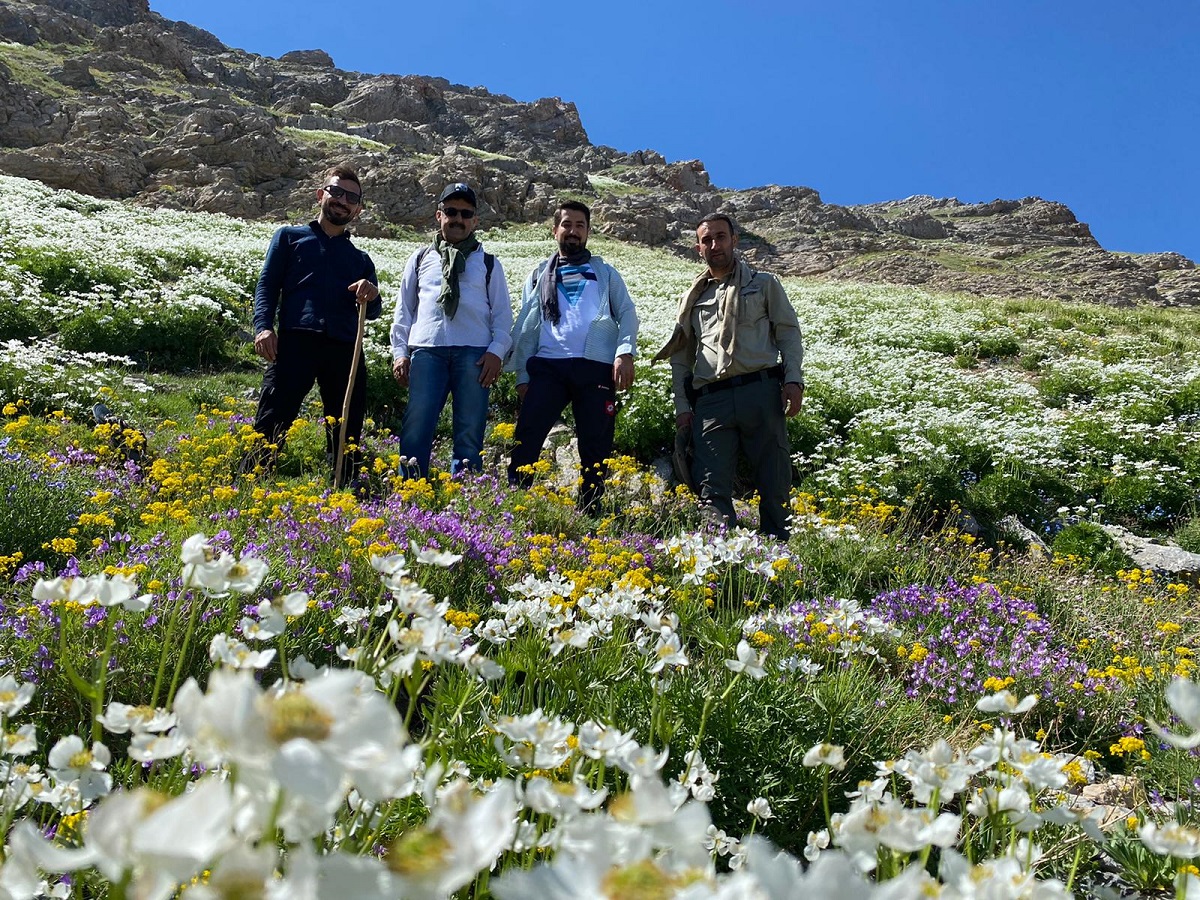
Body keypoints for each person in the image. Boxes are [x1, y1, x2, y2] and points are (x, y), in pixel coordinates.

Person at [654, 213, 804, 539]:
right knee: (710, 483)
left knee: (774, 479)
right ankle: (720, 561)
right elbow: (681, 359)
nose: (714, 245)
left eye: (721, 237)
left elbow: (788, 334)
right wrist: (683, 408)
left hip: (761, 392)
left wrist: (793, 380)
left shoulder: (764, 285)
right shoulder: (692, 299)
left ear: (734, 240)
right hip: (711, 401)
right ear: (698, 248)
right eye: (707, 240)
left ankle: (778, 556)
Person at [248, 164, 382, 481]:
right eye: (336, 191)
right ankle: (250, 485)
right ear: (321, 194)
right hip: (296, 341)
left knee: (346, 426)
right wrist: (263, 327)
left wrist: (371, 294)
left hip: (345, 350)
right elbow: (267, 285)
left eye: (352, 197)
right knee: (273, 417)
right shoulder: (289, 238)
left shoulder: (361, 259)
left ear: (358, 209)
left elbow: (373, 311)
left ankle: (344, 493)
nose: (342, 200)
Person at [507, 200, 639, 513]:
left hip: (596, 368)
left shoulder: (605, 273)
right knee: (528, 432)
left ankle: (591, 510)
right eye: (567, 224)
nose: (573, 231)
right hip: (548, 367)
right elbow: (526, 325)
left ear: (588, 232)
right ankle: (514, 501)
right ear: (555, 230)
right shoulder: (540, 273)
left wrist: (624, 352)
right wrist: (523, 375)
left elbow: (628, 313)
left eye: (580, 225)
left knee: (596, 442)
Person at [390, 182, 513, 477]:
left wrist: (496, 352)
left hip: (475, 356)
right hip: (426, 352)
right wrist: (399, 352)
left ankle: (465, 497)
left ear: (475, 221)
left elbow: (502, 316)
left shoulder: (489, 264)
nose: (458, 218)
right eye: (451, 211)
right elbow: (404, 309)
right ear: (439, 215)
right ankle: (409, 491)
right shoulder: (420, 259)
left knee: (470, 430)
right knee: (417, 423)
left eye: (465, 213)